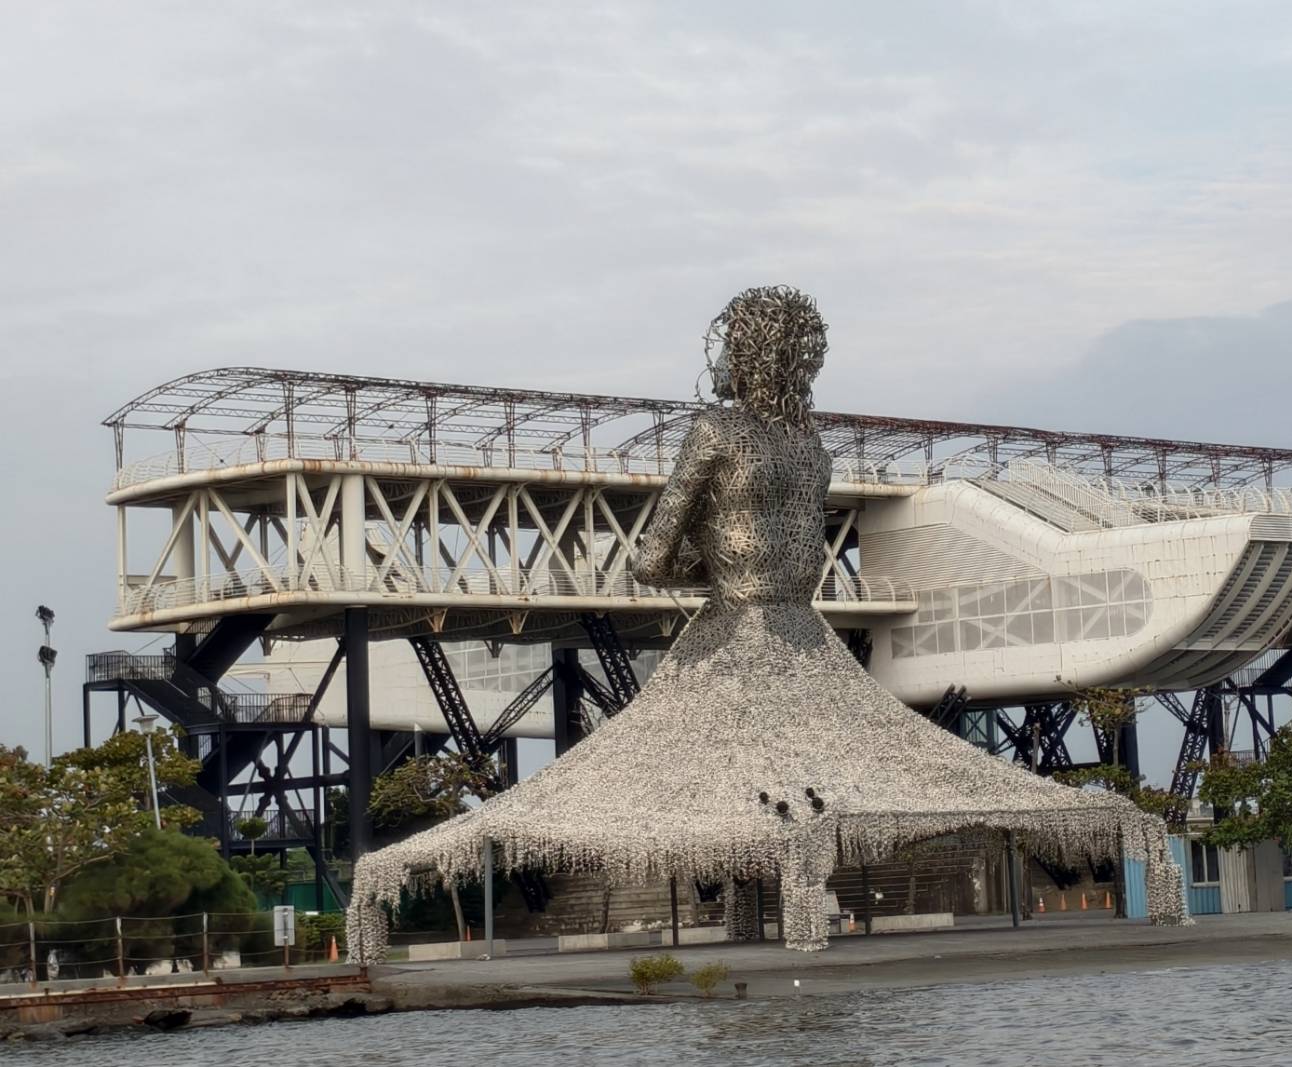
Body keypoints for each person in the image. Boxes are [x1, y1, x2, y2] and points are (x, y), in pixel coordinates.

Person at [347, 286, 1186, 962]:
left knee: (699, 787)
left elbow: (650, 557)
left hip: (731, 626)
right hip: (804, 630)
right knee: (814, 777)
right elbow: (806, 549)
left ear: (742, 352)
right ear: (804, 357)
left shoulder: (716, 431)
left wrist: (702, 568)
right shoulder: (812, 449)